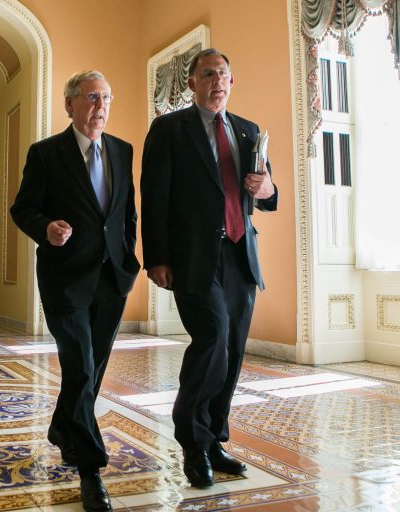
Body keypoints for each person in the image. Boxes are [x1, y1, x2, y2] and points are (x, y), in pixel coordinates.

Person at [140, 49, 278, 488]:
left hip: (240, 256)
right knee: (213, 339)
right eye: (207, 74)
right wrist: (157, 256)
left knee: (233, 349)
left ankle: (215, 438)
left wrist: (268, 185)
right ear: (191, 84)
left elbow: (268, 196)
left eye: (222, 74)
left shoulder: (248, 131)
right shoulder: (168, 129)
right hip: (194, 258)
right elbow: (154, 194)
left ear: (231, 82)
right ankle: (193, 441)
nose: (216, 80)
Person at [10, 70, 139, 511]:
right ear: (70, 105)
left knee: (93, 367)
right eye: (90, 98)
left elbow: (126, 214)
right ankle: (90, 469)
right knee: (81, 366)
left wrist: (129, 258)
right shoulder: (46, 154)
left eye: (106, 98)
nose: (100, 107)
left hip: (111, 277)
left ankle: (64, 424)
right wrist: (45, 227)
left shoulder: (123, 151)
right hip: (65, 278)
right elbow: (22, 207)